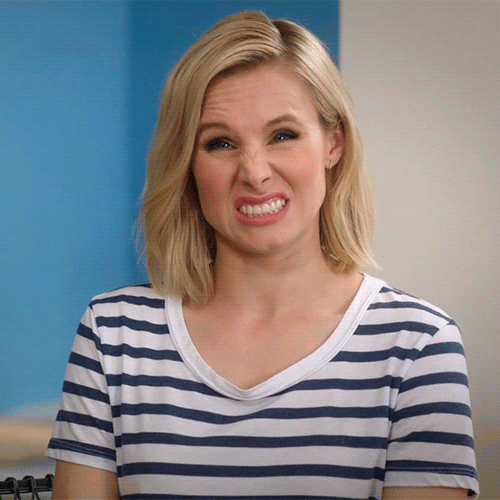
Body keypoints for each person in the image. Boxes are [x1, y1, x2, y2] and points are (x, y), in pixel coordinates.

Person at [46, 11, 478, 499]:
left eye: (282, 135)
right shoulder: (113, 334)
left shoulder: (418, 345)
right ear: (187, 164)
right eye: (221, 143)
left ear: (333, 144)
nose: (254, 173)